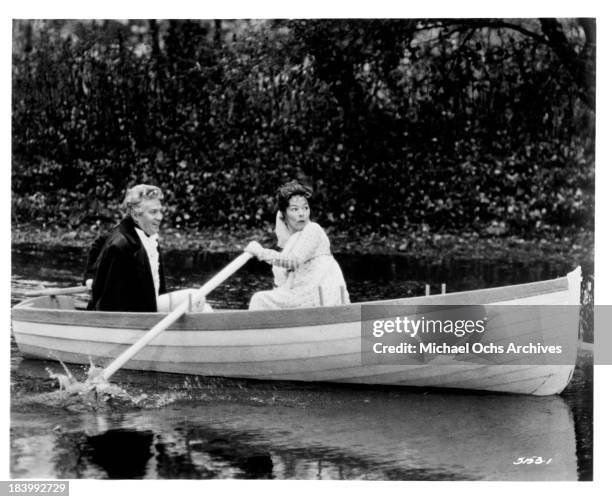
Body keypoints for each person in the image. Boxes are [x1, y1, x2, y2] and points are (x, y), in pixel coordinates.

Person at [245, 180, 350, 310]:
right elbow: (282, 281)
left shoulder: (313, 229)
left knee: (259, 299)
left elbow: (293, 261)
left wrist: (260, 252)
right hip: (306, 297)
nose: (302, 213)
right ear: (284, 215)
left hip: (323, 301)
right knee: (264, 298)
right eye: (295, 209)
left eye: (305, 208)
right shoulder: (293, 241)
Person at [87, 184, 168, 312]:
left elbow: (99, 242)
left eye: (160, 211)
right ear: (135, 215)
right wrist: (90, 277)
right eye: (153, 212)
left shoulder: (149, 235)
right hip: (130, 320)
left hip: (153, 311)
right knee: (195, 298)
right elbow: (110, 304)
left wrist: (89, 276)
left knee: (199, 303)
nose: (160, 217)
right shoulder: (120, 247)